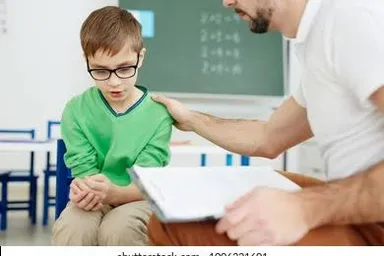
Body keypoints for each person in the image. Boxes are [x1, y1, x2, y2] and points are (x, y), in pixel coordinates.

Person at [147, 0, 384, 246]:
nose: (226, 2)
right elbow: (267, 138)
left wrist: (305, 209)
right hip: (358, 209)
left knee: (174, 227)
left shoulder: (351, 18)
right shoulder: (315, 37)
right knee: (199, 200)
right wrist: (192, 119)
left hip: (375, 226)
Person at [51, 6, 173, 246]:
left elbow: (148, 181)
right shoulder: (76, 110)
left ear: (141, 57)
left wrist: (116, 193)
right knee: (72, 228)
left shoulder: (158, 113)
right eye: (100, 71)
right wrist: (85, 188)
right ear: (87, 61)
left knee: (119, 229)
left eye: (125, 68)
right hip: (93, 197)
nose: (114, 82)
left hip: (137, 197)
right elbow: (83, 170)